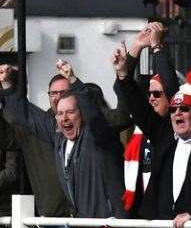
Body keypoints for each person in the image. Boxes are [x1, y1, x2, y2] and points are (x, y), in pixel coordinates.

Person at [114, 52, 191, 228]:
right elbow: (138, 107)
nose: (177, 113)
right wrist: (123, 75)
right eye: (173, 110)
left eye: (184, 109)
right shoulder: (165, 136)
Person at [0, 59, 124, 219]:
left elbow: (119, 117)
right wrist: (7, 87)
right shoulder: (49, 128)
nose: (58, 98)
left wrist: (123, 73)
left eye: (64, 93)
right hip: (54, 219)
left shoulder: (93, 129)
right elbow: (22, 116)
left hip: (95, 221)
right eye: (53, 93)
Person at [121, 22, 179, 216]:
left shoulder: (174, 129)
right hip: (139, 215)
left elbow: (172, 89)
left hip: (166, 215)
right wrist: (137, 46)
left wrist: (157, 48)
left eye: (156, 93)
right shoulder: (141, 126)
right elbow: (125, 88)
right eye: (149, 93)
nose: (151, 98)